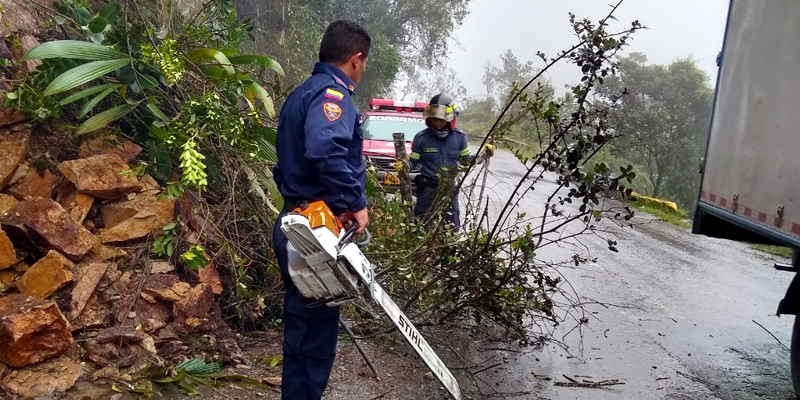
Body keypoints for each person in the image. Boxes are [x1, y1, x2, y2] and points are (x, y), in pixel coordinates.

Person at [271, 20, 370, 400]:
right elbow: (325, 150)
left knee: (303, 317)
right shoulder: (333, 95)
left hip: (294, 222)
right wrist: (356, 204)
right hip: (314, 229)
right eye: (364, 64)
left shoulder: (301, 93)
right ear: (356, 59)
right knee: (317, 330)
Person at [409, 93, 495, 229]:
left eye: (441, 119)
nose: (437, 123)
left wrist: (483, 154)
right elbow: (412, 162)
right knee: (420, 225)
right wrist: (404, 166)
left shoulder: (459, 138)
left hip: (449, 190)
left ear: (450, 118)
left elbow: (466, 161)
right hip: (427, 189)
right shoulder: (421, 138)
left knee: (453, 226)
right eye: (435, 119)